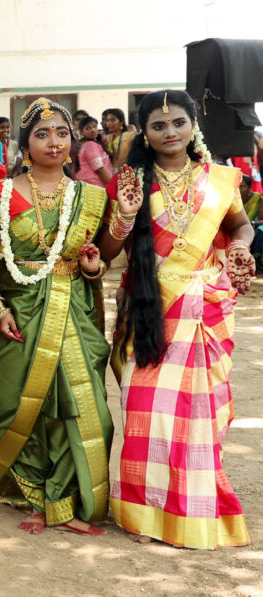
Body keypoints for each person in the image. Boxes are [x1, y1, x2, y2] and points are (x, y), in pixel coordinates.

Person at [97, 89, 253, 550]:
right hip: (148, 310)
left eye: (179, 123)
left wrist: (241, 245)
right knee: (147, 411)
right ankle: (144, 514)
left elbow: (239, 225)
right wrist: (123, 218)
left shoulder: (222, 179)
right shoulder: (129, 182)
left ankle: (195, 510)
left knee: (195, 416)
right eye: (159, 126)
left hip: (201, 308)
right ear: (143, 133)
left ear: (193, 126)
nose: (170, 132)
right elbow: (108, 256)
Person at [0, 98, 112, 538]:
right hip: (18, 310)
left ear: (72, 142)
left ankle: (67, 499)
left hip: (73, 309)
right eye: (41, 134)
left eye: (61, 133)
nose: (53, 142)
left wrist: (94, 268)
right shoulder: (0, 193)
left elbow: (104, 258)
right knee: (12, 403)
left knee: (75, 404)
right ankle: (34, 495)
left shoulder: (90, 196)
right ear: (25, 143)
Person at [74, 116, 112, 186]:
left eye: (95, 127)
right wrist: (112, 186)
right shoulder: (90, 145)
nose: (93, 130)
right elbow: (99, 169)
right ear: (82, 132)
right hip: (95, 186)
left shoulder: (88, 144)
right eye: (88, 128)